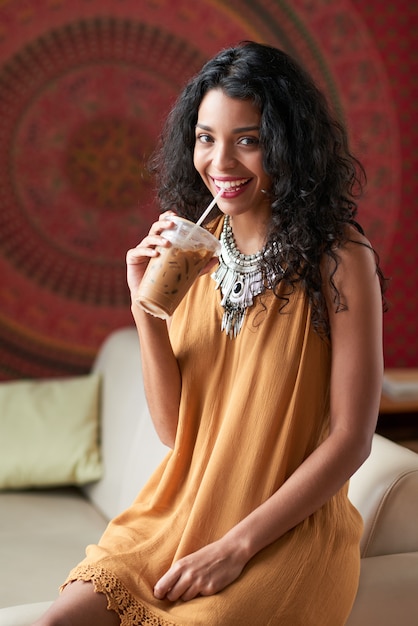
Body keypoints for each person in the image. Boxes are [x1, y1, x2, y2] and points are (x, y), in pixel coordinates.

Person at [34, 41, 386, 625]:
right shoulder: (190, 250)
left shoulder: (339, 257)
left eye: (247, 140)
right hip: (178, 514)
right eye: (205, 137)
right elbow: (177, 431)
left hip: (284, 535)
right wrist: (145, 309)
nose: (220, 163)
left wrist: (234, 548)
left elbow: (352, 440)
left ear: (285, 143)